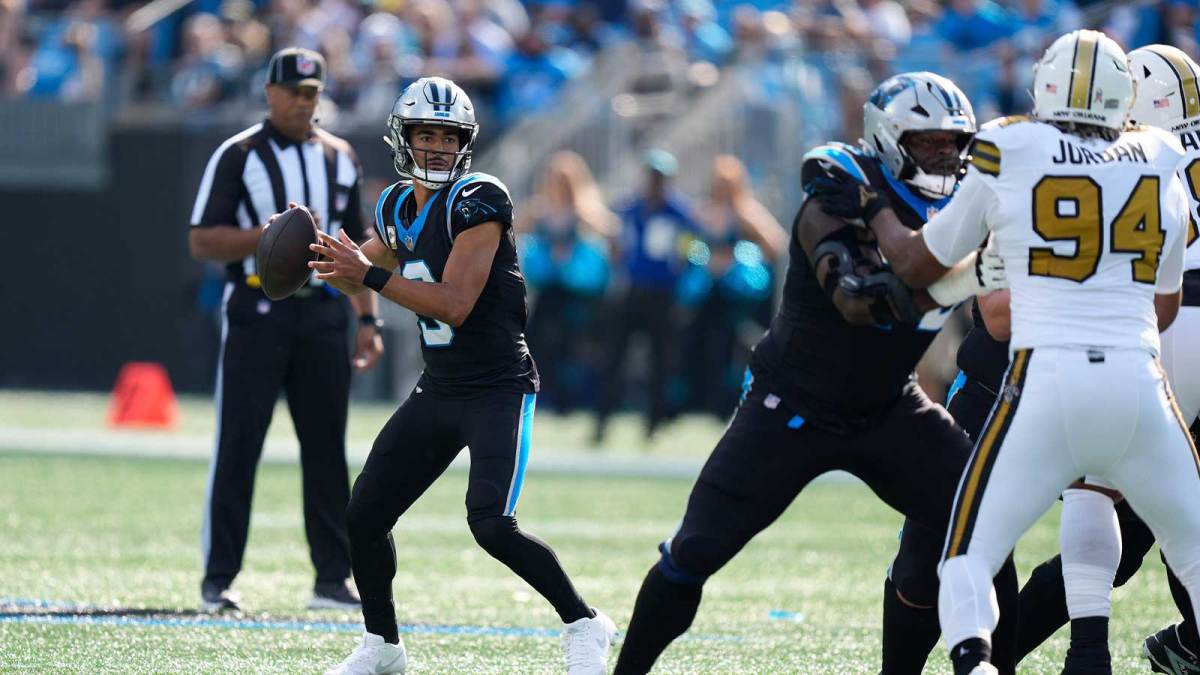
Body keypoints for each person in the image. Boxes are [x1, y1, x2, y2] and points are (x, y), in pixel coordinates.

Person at [822, 30, 1200, 675]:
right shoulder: (1160, 156)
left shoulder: (1013, 146)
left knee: (963, 548)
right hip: (1143, 374)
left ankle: (983, 661)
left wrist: (876, 214)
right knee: (1180, 547)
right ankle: (1092, 654)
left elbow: (975, 302)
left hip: (1040, 374)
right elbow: (1163, 306)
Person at [612, 71, 1012, 675]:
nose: (946, 156)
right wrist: (969, 275)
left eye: (956, 143)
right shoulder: (839, 194)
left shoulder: (963, 200)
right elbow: (862, 303)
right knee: (693, 553)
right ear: (888, 139)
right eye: (929, 142)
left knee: (987, 524)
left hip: (888, 407)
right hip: (792, 406)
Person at [309, 76, 616, 675]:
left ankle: (586, 623)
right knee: (365, 514)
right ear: (404, 138)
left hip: (498, 385)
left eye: (447, 136)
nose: (437, 148)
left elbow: (452, 303)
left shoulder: (480, 199)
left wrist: (364, 277)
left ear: (464, 143)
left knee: (492, 524)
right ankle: (383, 646)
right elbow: (362, 267)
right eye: (425, 134)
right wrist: (317, 258)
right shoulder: (397, 205)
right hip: (441, 386)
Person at [1009, 42, 1200, 674]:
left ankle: (1083, 653)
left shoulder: (1130, 155)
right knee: (1174, 511)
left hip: (1162, 322)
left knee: (1095, 491)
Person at [188, 47, 380, 614]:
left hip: (323, 315)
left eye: (312, 92)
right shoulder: (239, 153)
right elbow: (201, 239)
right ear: (269, 93)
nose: (302, 101)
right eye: (293, 91)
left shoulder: (341, 157)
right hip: (256, 313)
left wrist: (367, 318)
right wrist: (271, 240)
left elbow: (358, 250)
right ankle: (218, 579)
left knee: (326, 448)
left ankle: (331, 577)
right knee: (239, 444)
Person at [593, 149, 697, 443]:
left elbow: (692, 250)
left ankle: (653, 423)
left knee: (659, 362)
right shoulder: (630, 207)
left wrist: (684, 273)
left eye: (660, 177)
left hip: (663, 293)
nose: (655, 182)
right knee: (614, 357)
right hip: (632, 290)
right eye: (652, 176)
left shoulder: (680, 212)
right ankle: (602, 421)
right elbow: (615, 241)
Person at [517, 151, 616, 412]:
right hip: (549, 287)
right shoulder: (541, 209)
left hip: (575, 290)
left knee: (570, 346)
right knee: (537, 341)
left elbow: (610, 230)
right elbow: (514, 227)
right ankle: (542, 395)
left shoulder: (583, 209)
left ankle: (567, 401)